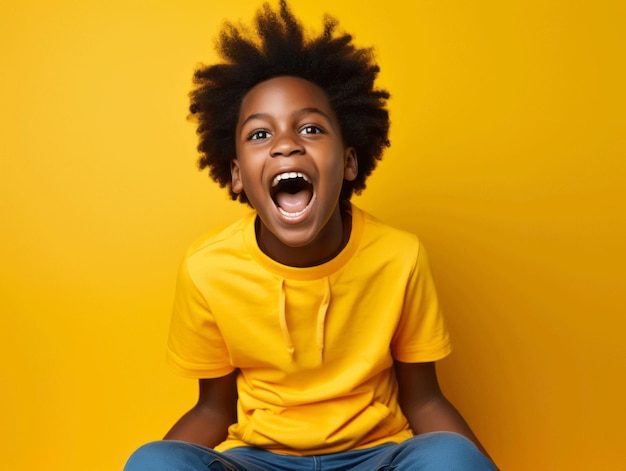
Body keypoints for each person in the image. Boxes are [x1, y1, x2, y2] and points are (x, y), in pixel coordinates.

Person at [124, 1, 498, 469]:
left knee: (450, 457)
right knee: (154, 462)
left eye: (310, 128)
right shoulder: (208, 268)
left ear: (348, 161)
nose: (286, 143)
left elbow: (424, 400)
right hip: (259, 460)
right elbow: (213, 408)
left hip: (378, 458)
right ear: (237, 174)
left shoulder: (399, 256)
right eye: (260, 134)